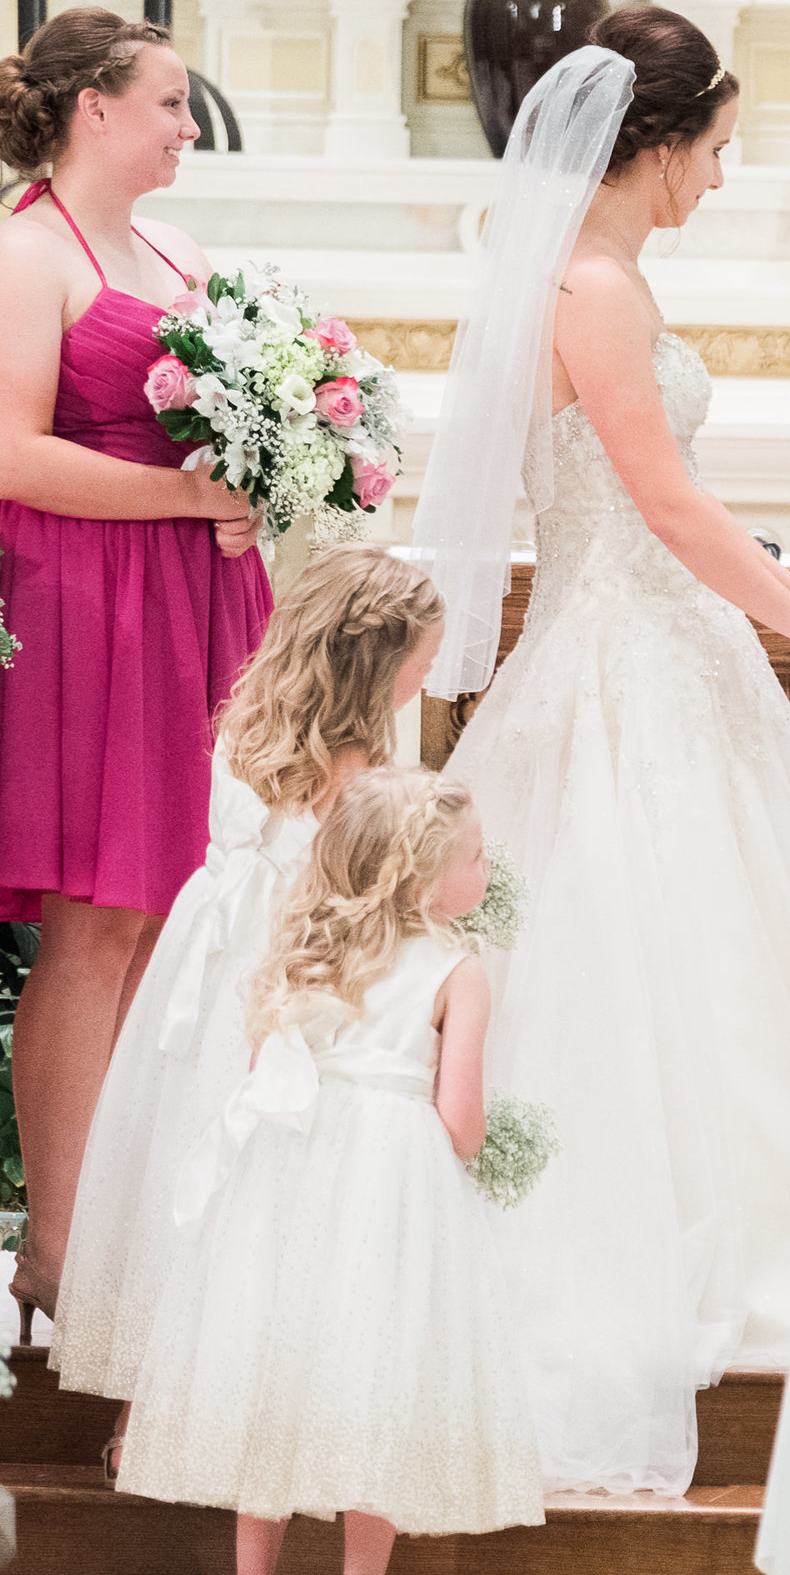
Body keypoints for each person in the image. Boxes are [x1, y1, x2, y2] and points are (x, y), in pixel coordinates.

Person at [409, 8, 790, 1497]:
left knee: (692, 946)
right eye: (714, 151)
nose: (719, 180)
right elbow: (669, 506)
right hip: (627, 657)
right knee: (647, 944)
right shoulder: (599, 288)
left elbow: (655, 513)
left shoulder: (583, 275)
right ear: (656, 143)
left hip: (638, 639)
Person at [49, 544, 444, 1471]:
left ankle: (141, 1412)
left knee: (173, 1170)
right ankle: (251, 1407)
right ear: (379, 661)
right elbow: (355, 895)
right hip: (281, 978)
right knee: (253, 1183)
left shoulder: (251, 727)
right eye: (424, 655)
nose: (432, 668)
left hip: (207, 960)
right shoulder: (357, 774)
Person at [0, 7, 268, 1320]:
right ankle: (58, 1241)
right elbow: (11, 450)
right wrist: (185, 501)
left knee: (181, 918)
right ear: (91, 108)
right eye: (167, 101)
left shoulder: (175, 246)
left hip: (198, 603)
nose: (185, 124)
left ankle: (145, 1230)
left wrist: (268, 476)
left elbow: (234, 423)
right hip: (90, 606)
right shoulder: (27, 252)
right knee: (96, 921)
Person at [119, 768, 543, 1572]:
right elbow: (459, 1125)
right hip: (392, 1195)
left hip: (289, 1179)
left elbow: (261, 1067)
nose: (487, 868)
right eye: (477, 855)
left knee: (276, 1377)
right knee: (376, 1377)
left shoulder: (303, 955)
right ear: (423, 874)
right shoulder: (458, 972)